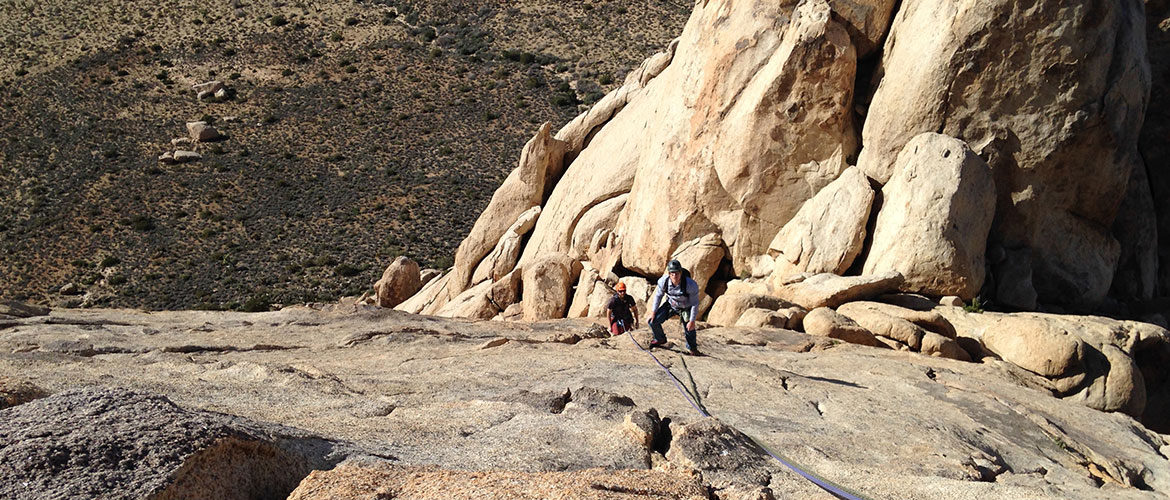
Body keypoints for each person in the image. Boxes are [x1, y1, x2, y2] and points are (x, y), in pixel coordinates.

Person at [648, 259, 701, 355]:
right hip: (671, 305)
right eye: (672, 273)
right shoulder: (663, 282)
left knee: (690, 328)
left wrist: (692, 320)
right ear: (669, 273)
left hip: (686, 307)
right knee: (652, 321)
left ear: (680, 273)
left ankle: (692, 348)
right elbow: (658, 296)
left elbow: (694, 303)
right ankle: (660, 339)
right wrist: (653, 312)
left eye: (676, 273)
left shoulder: (690, 285)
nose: (674, 276)